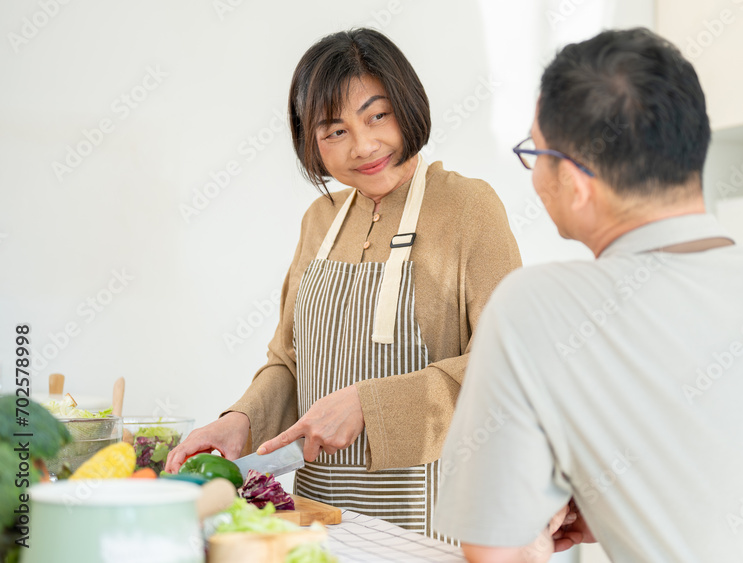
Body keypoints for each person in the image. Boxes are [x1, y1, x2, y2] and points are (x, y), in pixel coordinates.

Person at [434, 28, 743, 562]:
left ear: (577, 181)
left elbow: (497, 553)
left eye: (537, 153)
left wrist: (535, 540)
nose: (535, 174)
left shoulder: (535, 305)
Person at [165, 28, 521, 539]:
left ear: (408, 105)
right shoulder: (320, 219)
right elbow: (290, 362)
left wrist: (369, 405)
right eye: (334, 131)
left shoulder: (469, 207)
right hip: (317, 518)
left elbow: (509, 367)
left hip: (432, 523)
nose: (364, 145)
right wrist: (241, 420)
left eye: (378, 115)